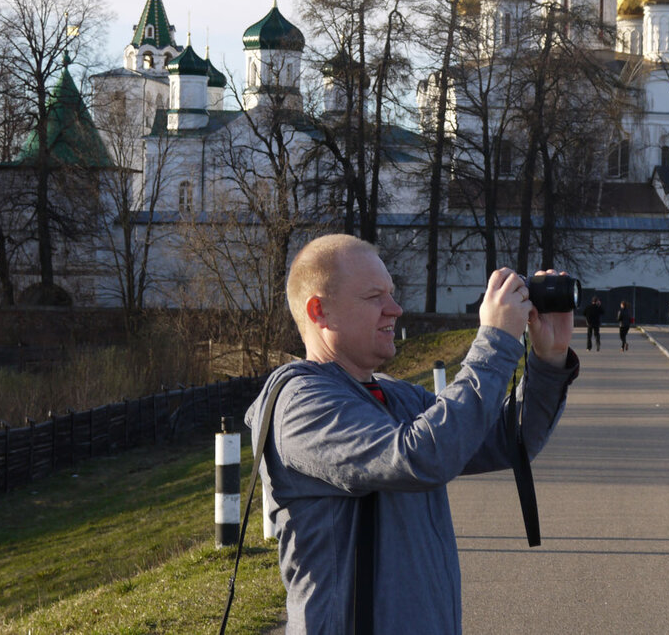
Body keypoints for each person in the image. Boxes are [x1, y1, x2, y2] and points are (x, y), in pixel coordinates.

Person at [245, 234, 579, 635]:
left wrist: (549, 359)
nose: (395, 308)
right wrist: (494, 342)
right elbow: (420, 458)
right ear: (320, 311)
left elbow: (503, 440)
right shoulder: (300, 405)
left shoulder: (393, 395)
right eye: (374, 297)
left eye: (392, 293)